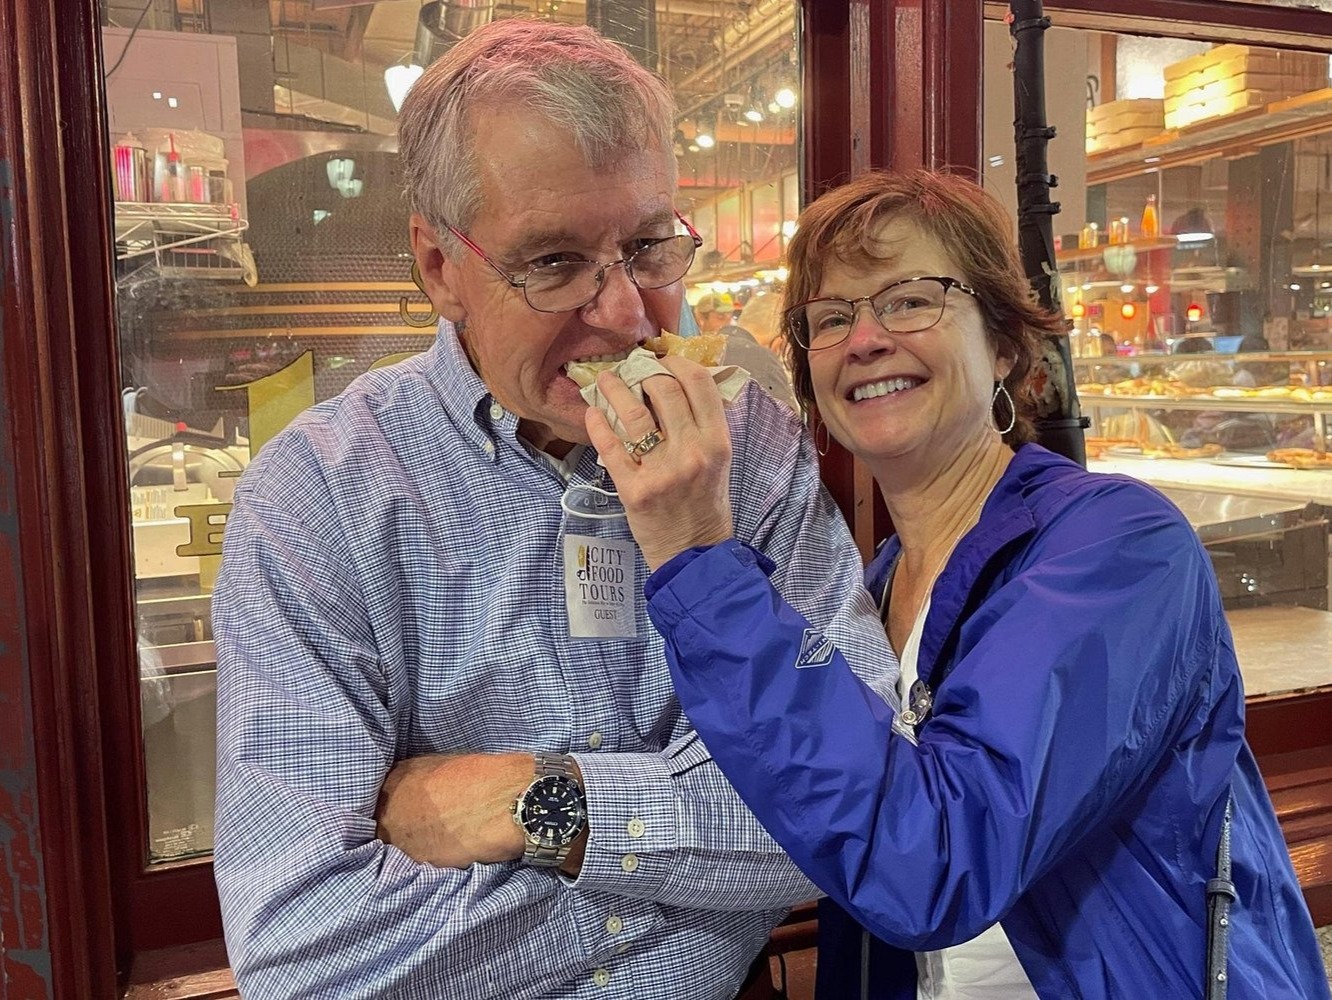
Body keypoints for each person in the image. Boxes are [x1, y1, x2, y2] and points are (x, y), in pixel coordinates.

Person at [209, 18, 894, 1000]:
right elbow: (302, 950)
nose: (625, 314)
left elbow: (860, 809)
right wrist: (695, 860)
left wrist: (529, 807)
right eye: (554, 263)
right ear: (439, 267)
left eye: (649, 247)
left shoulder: (750, 449)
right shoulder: (321, 495)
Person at [585, 169, 1328, 999]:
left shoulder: (1117, 546)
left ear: (1003, 342)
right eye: (830, 318)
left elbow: (936, 865)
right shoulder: (869, 588)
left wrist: (697, 553)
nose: (865, 339)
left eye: (910, 300)